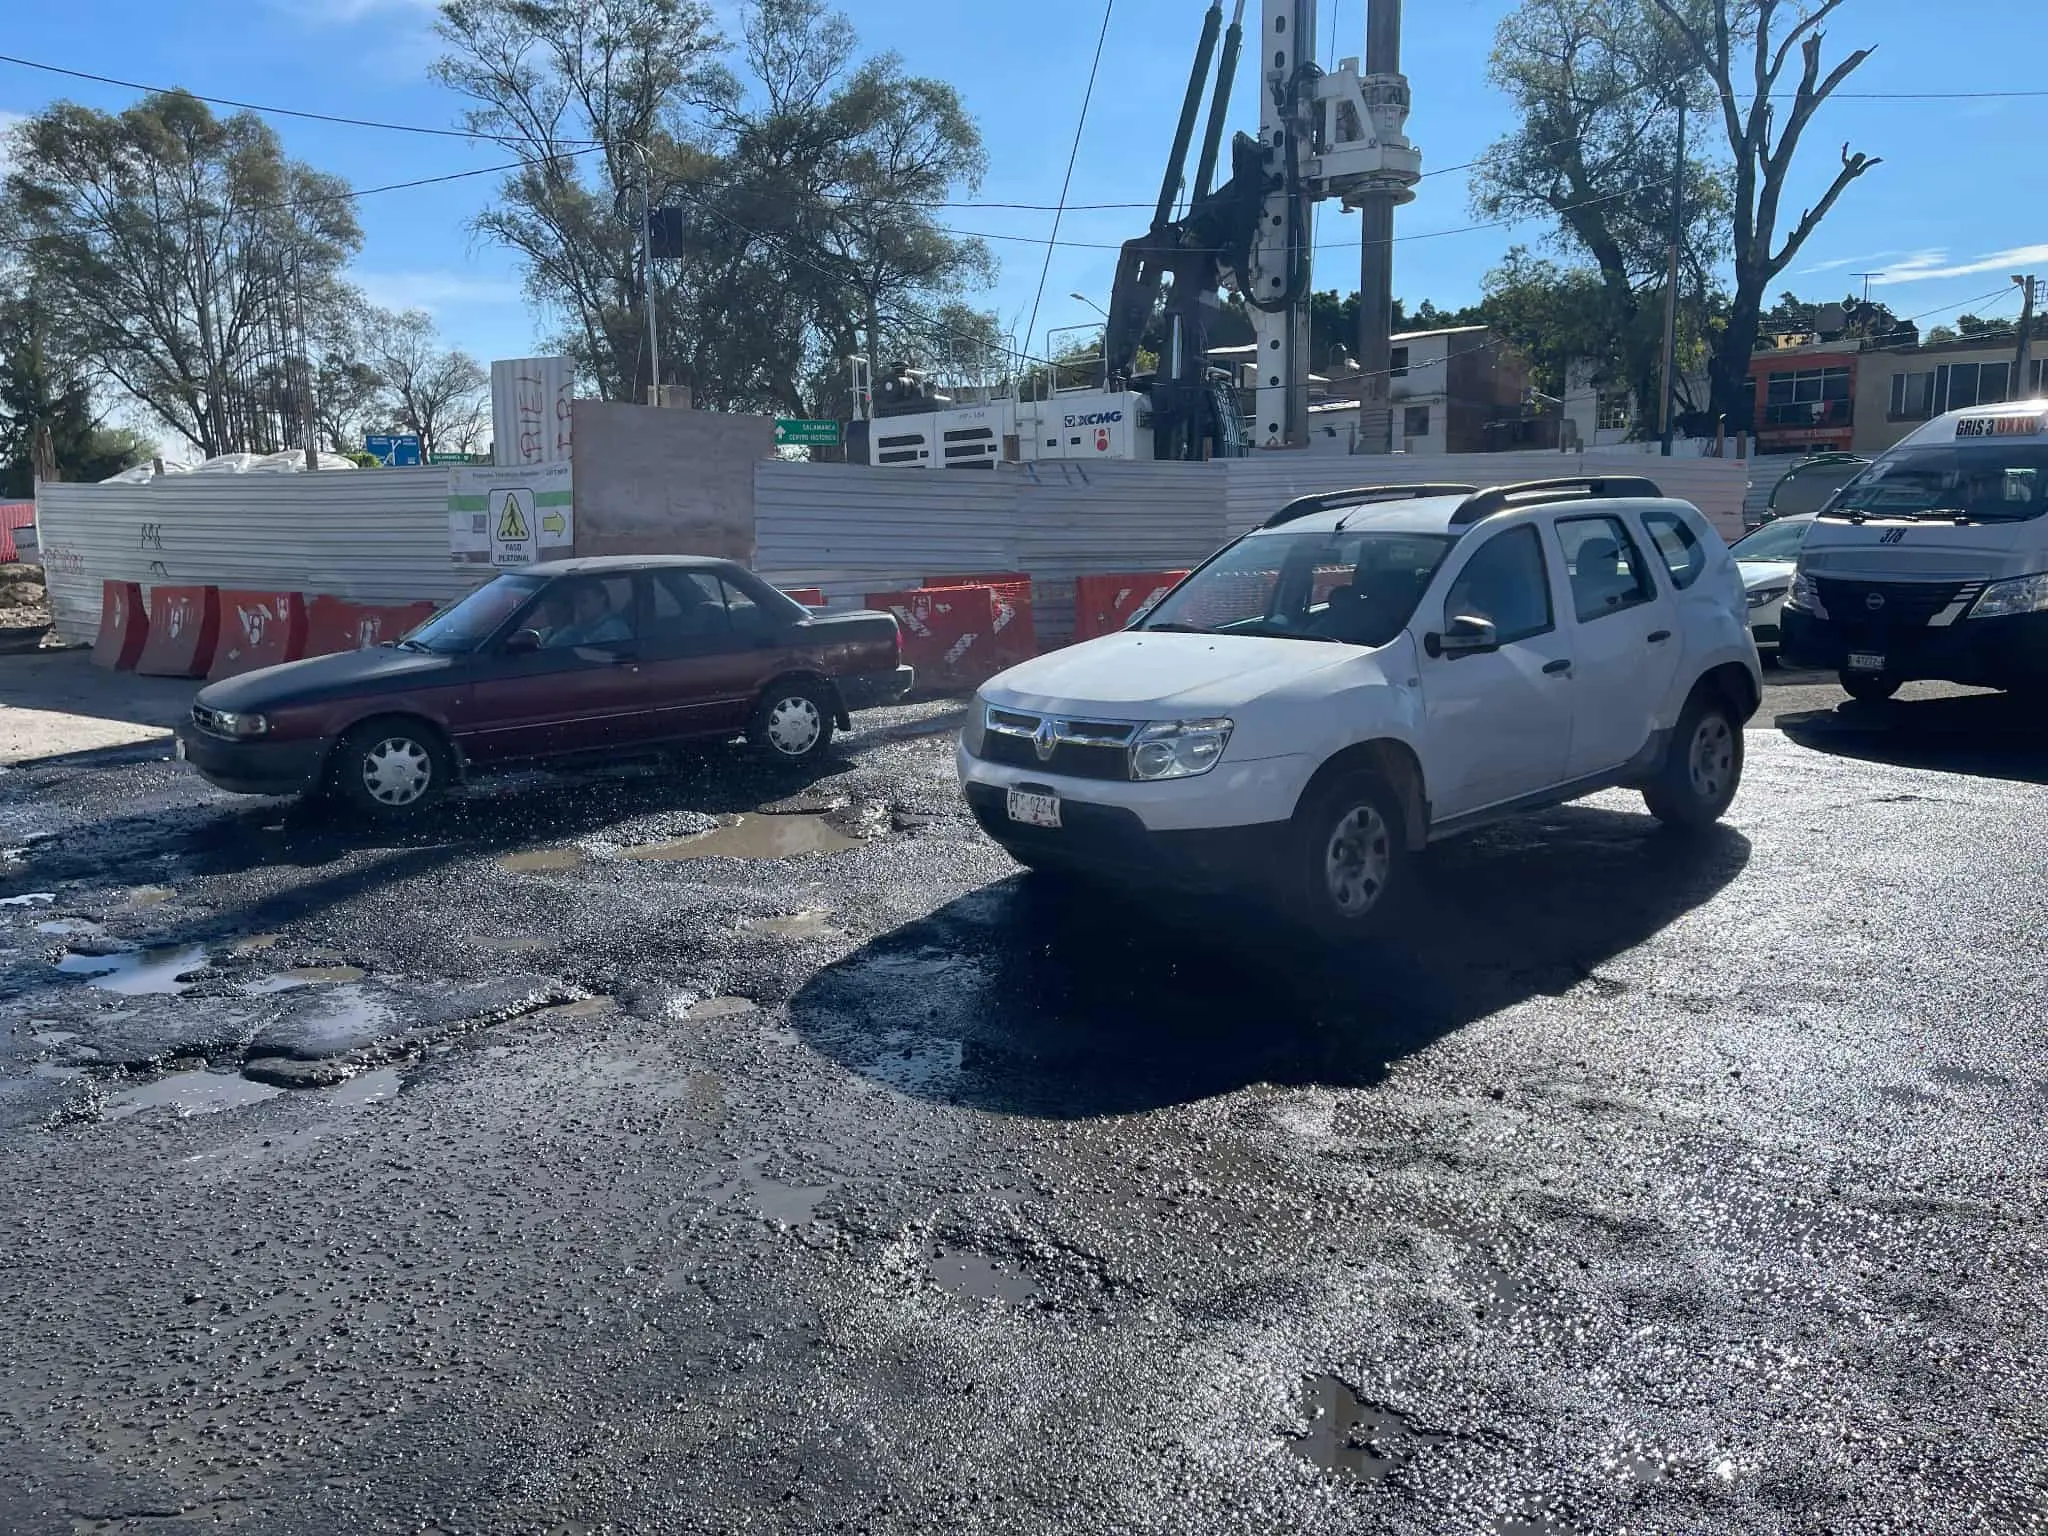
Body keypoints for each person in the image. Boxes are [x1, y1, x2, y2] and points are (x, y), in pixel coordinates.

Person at [549, 581, 632, 648]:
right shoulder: (580, 628)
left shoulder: (613, 630)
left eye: (584, 601)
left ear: (602, 598)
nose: (580, 607)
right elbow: (553, 644)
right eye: (576, 602)